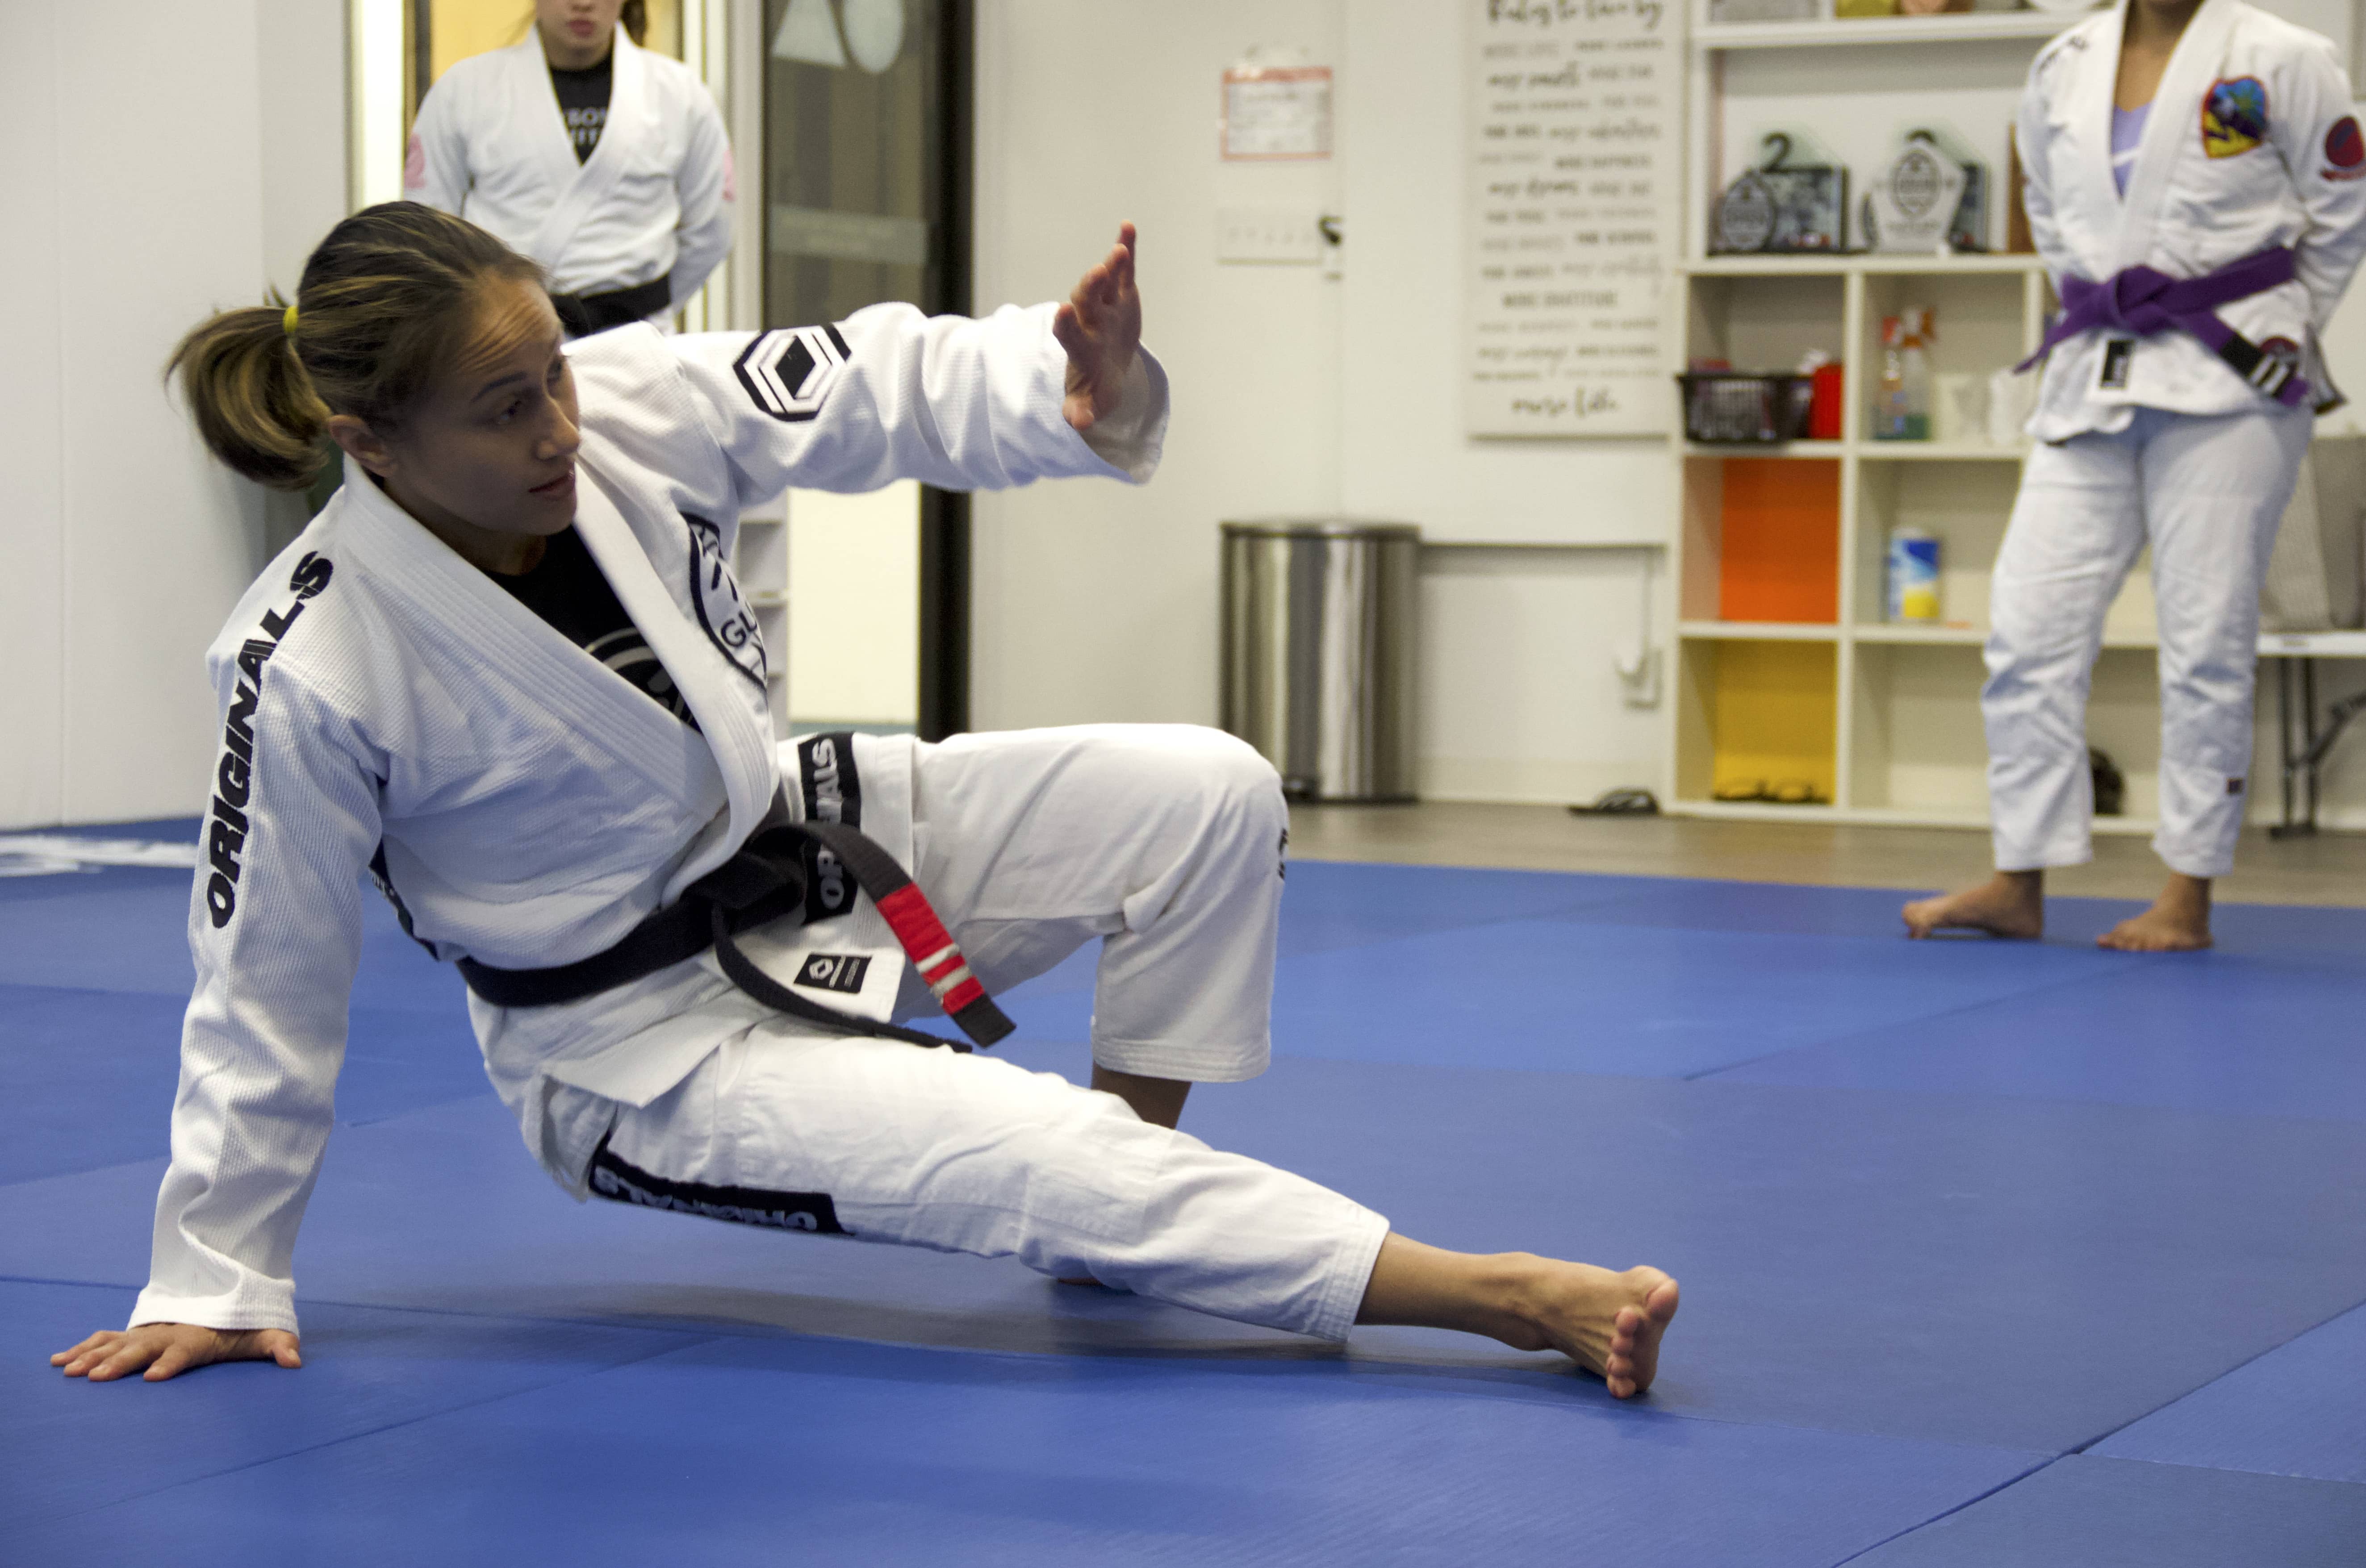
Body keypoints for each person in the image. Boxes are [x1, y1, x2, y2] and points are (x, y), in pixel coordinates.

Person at [50, 204, 1680, 1396]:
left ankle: (1116, 1206)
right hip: (634, 1050)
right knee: (1036, 1144)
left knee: (1208, 794)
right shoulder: (311, 658)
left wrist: (1064, 379)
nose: (562, 426)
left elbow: (851, 383)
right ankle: (1503, 1296)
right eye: (505, 409)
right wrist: (217, 1261)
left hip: (795, 838)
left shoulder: (611, 418)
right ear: (370, 446)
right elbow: (260, 984)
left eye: (553, 372)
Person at [1905, 0, 2366, 950]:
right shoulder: (2061, 64)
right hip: (2096, 370)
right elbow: (2048, 211)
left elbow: (2342, 205)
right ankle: (2017, 875)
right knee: (2027, 632)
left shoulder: (2283, 55)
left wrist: (2271, 322)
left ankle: (2186, 894)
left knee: (2204, 639)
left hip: (2231, 376)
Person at [406, 0, 732, 337]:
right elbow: (428, 230)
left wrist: (652, 304)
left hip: (639, 338)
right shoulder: (463, 90)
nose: (583, 4)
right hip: (505, 338)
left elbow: (712, 231)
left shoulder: (680, 94)